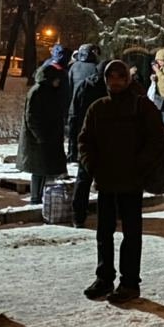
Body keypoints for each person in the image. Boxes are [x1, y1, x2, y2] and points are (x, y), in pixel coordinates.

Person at [78, 59, 164, 304]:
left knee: (131, 234)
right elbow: (85, 141)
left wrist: (139, 166)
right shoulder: (98, 108)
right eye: (111, 77)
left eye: (120, 77)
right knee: (103, 233)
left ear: (127, 79)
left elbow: (156, 140)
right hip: (106, 180)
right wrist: (93, 166)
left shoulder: (142, 106)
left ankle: (129, 282)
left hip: (131, 182)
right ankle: (104, 278)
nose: (115, 82)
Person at [18, 56, 71, 206]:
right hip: (39, 139)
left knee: (45, 168)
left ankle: (41, 198)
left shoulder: (49, 91)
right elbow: (31, 117)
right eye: (56, 79)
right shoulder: (38, 91)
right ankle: (35, 198)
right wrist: (40, 136)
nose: (58, 82)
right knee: (39, 169)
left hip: (47, 136)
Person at [69, 63, 108, 227]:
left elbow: (73, 114)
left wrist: (73, 144)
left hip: (86, 138)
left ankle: (78, 216)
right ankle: (107, 216)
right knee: (106, 180)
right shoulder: (111, 89)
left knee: (83, 179)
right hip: (105, 140)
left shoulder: (84, 85)